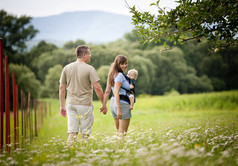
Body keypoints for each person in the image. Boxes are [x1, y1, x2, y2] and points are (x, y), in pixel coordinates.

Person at [59, 45, 104, 142]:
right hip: (85, 105)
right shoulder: (90, 69)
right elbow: (97, 88)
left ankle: (68, 154)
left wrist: (62, 106)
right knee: (85, 134)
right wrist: (103, 104)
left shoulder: (66, 68)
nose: (90, 56)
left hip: (70, 104)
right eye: (89, 53)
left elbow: (61, 87)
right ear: (84, 55)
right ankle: (83, 155)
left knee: (72, 133)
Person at [100, 55, 132, 136]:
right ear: (117, 64)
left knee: (118, 131)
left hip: (113, 103)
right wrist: (119, 109)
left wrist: (104, 105)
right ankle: (121, 148)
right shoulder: (120, 75)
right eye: (122, 64)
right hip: (121, 104)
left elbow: (107, 91)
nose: (125, 66)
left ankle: (117, 147)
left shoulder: (111, 74)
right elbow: (116, 92)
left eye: (126, 63)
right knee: (122, 134)